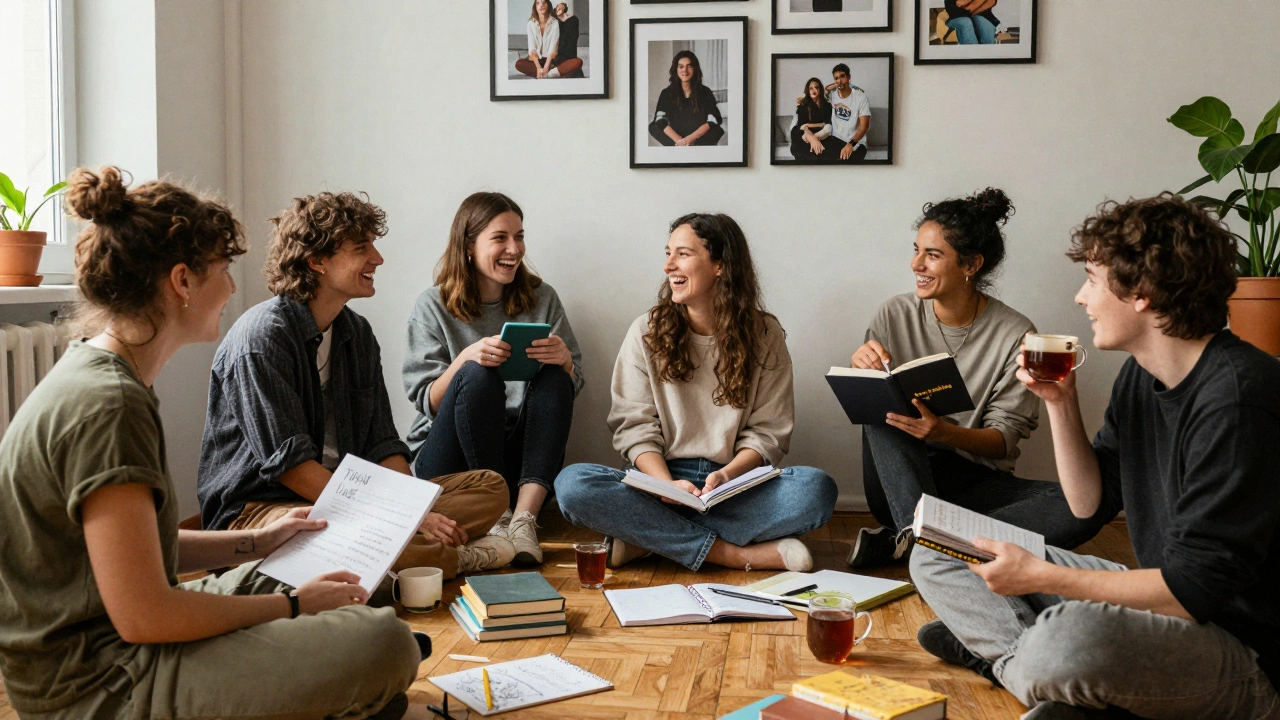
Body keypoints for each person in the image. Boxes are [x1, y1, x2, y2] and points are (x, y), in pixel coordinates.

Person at [0, 166, 423, 720]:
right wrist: (293, 606)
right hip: (98, 681)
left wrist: (257, 542)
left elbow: (141, 552)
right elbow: (146, 616)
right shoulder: (109, 404)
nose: (231, 288)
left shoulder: (110, 376)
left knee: (326, 590)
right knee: (384, 642)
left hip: (123, 638)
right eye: (223, 270)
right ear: (182, 281)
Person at [911, 194, 1280, 719]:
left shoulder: (1238, 399)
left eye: (1091, 279)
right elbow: (1089, 504)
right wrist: (1061, 404)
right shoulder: (1141, 376)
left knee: (1070, 638)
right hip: (1165, 611)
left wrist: (1040, 578)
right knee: (938, 550)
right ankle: (1033, 670)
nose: (1081, 298)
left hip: (1242, 652)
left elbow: (1194, 592)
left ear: (1142, 293)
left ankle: (1012, 658)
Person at [198, 191, 515, 581]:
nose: (377, 259)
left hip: (350, 498)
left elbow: (382, 443)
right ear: (317, 261)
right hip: (263, 510)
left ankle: (402, 554)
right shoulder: (262, 338)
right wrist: (394, 516)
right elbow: (291, 467)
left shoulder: (357, 332)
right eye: (362, 248)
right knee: (362, 541)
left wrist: (412, 511)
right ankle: (448, 558)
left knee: (491, 488)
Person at [555, 213, 837, 572]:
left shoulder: (764, 335)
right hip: (659, 482)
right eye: (668, 253)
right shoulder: (645, 331)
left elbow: (769, 432)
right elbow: (635, 427)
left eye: (683, 254)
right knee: (573, 485)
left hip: (735, 486)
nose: (668, 265)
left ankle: (648, 540)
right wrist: (666, 485)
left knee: (816, 490)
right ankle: (732, 554)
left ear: (720, 265)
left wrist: (727, 476)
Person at [846, 188, 1107, 568]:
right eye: (916, 250)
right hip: (898, 475)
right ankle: (933, 542)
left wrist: (943, 433)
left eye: (932, 254)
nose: (916, 264)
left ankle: (916, 541)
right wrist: (861, 370)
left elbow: (1002, 441)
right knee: (881, 412)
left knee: (1082, 506)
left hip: (972, 482)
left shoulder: (1015, 333)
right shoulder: (893, 315)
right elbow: (872, 405)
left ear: (971, 265)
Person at [404, 192, 583, 568]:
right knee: (477, 374)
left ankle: (523, 521)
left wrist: (566, 362)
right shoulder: (432, 305)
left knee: (556, 375)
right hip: (452, 463)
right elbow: (426, 400)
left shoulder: (542, 298)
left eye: (519, 237)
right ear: (468, 246)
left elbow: (570, 389)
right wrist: (464, 360)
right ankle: (496, 517)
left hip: (522, 465)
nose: (514, 249)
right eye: (500, 238)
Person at [648, 50, 726, 147]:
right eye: (681, 67)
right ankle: (681, 147)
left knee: (717, 130)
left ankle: (689, 146)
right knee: (653, 127)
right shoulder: (666, 93)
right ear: (676, 69)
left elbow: (714, 119)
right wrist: (680, 140)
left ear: (695, 69)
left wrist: (691, 138)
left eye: (689, 66)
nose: (685, 71)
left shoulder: (705, 91)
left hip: (697, 135)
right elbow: (660, 120)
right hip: (676, 134)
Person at [514, 0, 583, 79]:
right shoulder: (531, 23)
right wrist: (538, 67)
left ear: (548, 5)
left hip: (552, 60)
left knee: (577, 62)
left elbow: (553, 49)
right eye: (538, 3)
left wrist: (547, 66)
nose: (541, 5)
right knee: (519, 64)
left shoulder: (554, 22)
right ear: (535, 7)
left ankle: (550, 73)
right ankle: (551, 72)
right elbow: (532, 49)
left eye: (544, 2)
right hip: (539, 60)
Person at [789, 77, 841, 163]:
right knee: (796, 137)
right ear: (808, 90)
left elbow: (827, 124)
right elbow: (801, 126)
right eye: (811, 88)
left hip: (820, 133)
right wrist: (811, 136)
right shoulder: (803, 106)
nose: (814, 90)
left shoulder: (827, 105)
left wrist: (812, 129)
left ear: (820, 90)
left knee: (831, 144)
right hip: (803, 132)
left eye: (817, 87)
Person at [826, 63, 871, 162]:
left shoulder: (860, 97)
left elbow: (864, 127)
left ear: (849, 77)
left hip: (856, 143)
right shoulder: (832, 96)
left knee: (850, 164)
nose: (839, 80)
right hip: (836, 140)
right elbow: (824, 90)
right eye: (836, 78)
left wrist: (851, 144)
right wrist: (837, 84)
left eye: (842, 76)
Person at [553, 2, 584, 79]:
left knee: (575, 64)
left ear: (564, 9)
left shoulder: (572, 20)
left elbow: (572, 40)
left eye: (560, 7)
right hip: (556, 53)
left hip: (569, 53)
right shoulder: (554, 21)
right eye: (557, 7)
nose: (558, 8)